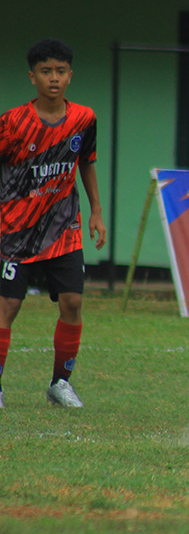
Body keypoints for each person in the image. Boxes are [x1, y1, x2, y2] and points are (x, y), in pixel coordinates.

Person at [0, 39, 107, 409]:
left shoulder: (83, 119)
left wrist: (95, 210)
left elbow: (86, 162)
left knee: (73, 302)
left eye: (61, 71)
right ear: (33, 77)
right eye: (46, 71)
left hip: (64, 228)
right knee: (7, 308)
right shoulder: (12, 123)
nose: (54, 78)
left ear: (70, 75)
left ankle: (60, 384)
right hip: (16, 231)